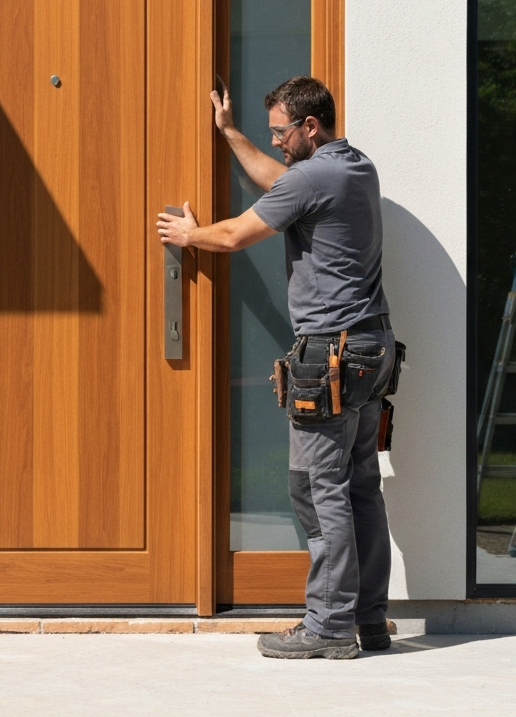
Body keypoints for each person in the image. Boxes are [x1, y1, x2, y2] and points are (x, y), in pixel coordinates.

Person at [156, 76, 395, 660]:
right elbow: (280, 181)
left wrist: (189, 235)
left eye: (282, 133)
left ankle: (328, 627)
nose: (279, 143)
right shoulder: (353, 167)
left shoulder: (315, 175)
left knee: (319, 488)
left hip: (330, 355)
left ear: (310, 127)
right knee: (360, 486)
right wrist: (232, 134)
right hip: (372, 348)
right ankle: (369, 621)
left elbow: (239, 233)